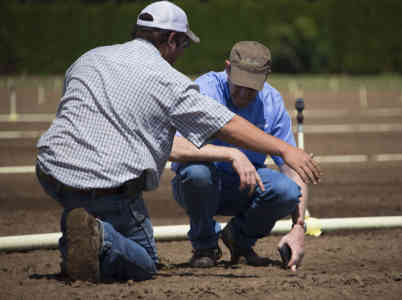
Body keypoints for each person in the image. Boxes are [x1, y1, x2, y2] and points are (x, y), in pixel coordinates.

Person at [36, 1, 321, 283]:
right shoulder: (170, 80)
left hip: (53, 172)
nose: (183, 54)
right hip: (110, 184)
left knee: (284, 188)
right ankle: (98, 235)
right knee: (145, 261)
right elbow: (227, 126)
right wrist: (280, 149)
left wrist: (299, 225)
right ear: (172, 40)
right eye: (184, 45)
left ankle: (81, 232)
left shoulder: (88, 58)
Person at [170, 41, 312, 272]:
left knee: (287, 190)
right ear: (227, 69)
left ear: (266, 78)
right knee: (197, 173)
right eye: (239, 85)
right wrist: (231, 154)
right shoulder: (203, 90)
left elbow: (293, 166)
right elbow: (172, 146)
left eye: (252, 88)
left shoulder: (272, 102)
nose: (244, 94)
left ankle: (239, 240)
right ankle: (205, 246)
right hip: (200, 184)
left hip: (246, 183)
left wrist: (299, 226)